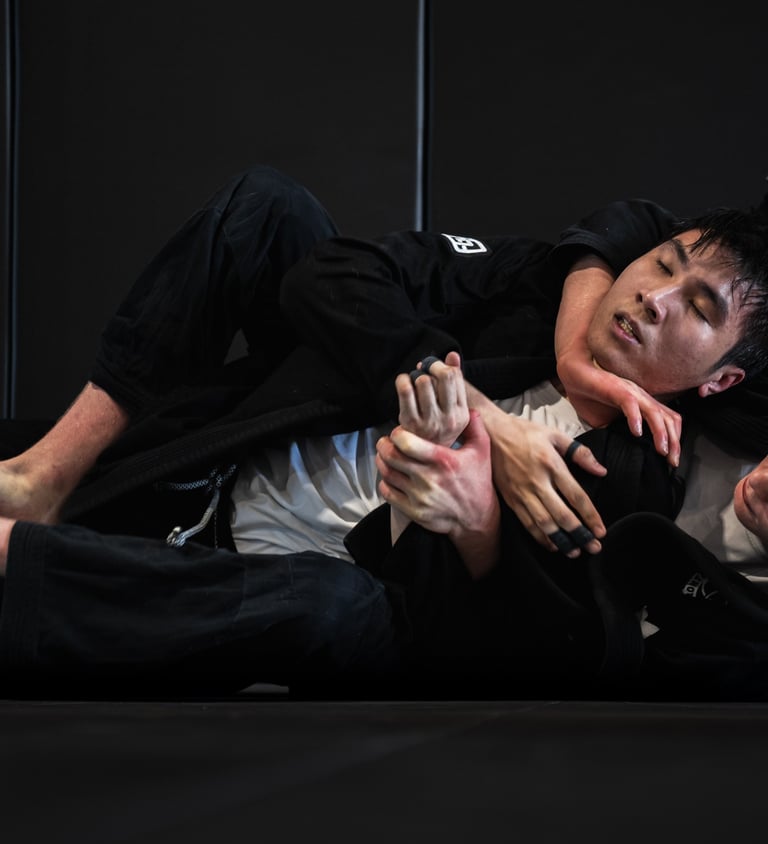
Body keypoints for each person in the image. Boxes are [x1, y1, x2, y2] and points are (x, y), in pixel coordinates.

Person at [1, 164, 768, 699]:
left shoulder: (635, 471)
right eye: (660, 265)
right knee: (269, 206)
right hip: (240, 440)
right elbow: (330, 274)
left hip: (320, 580)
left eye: (698, 309)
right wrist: (479, 410)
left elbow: (527, 643)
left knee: (329, 603)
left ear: (723, 380)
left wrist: (469, 521)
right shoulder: (539, 286)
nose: (657, 297)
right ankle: (44, 477)